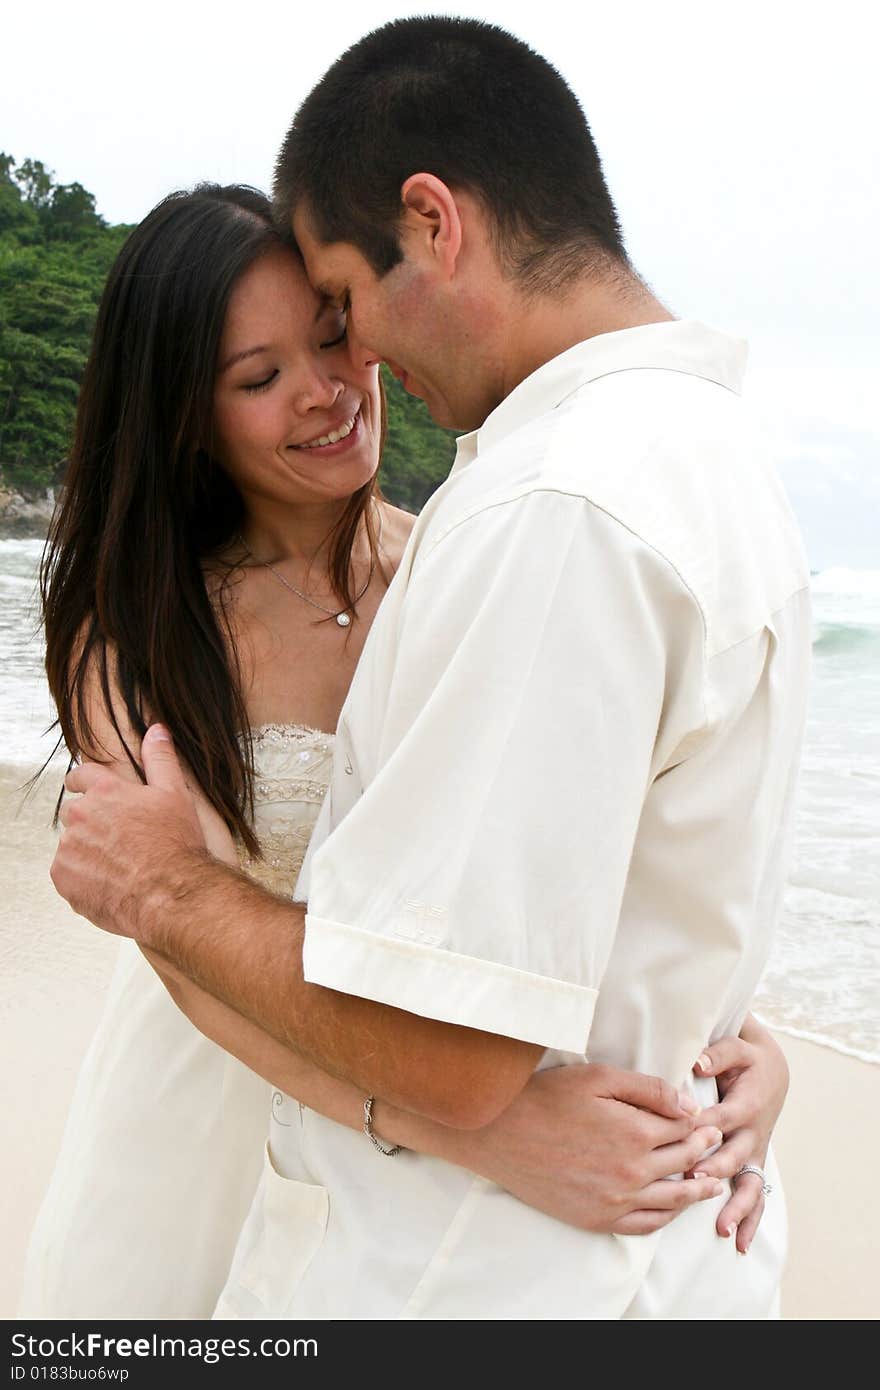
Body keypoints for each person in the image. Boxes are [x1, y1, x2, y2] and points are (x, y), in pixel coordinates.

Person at [23, 183, 785, 1320]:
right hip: (214, 1108)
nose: (324, 393)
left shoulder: (478, 565)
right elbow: (176, 937)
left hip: (425, 1158)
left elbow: (584, 858)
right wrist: (497, 1136)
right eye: (258, 377)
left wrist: (739, 1044)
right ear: (188, 415)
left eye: (333, 340)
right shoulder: (142, 617)